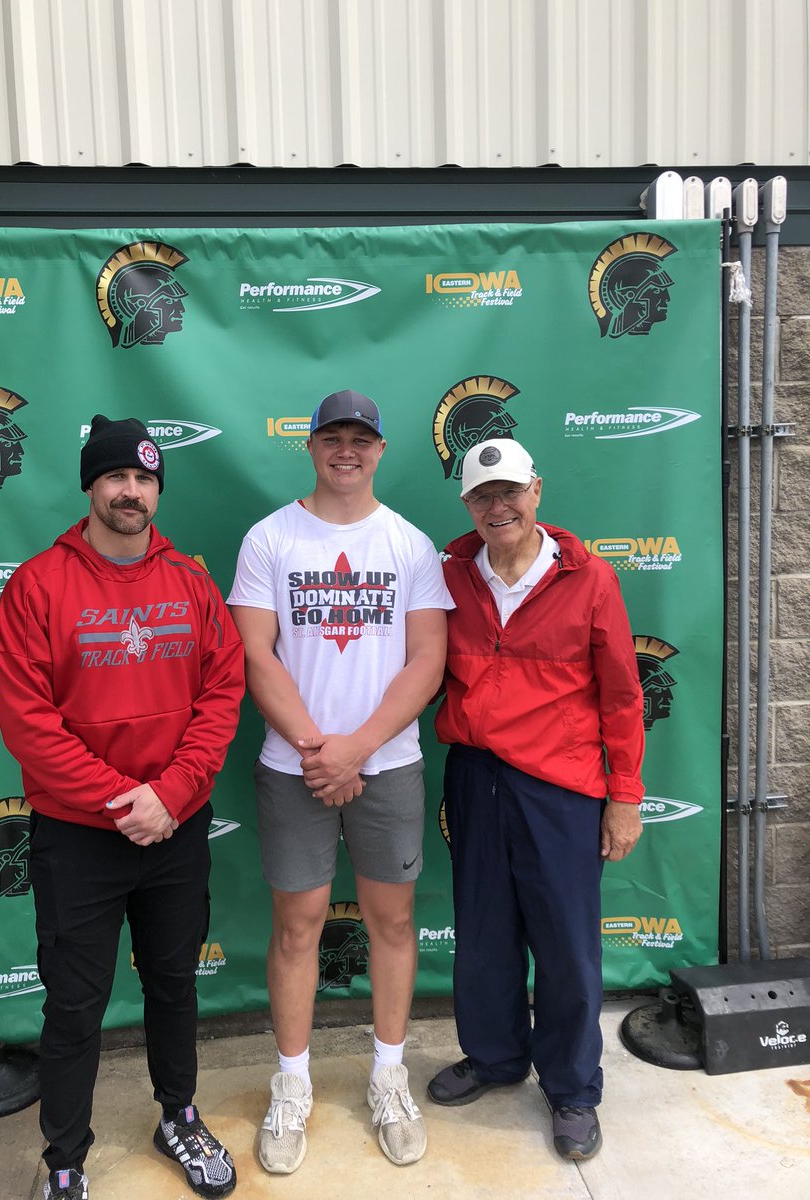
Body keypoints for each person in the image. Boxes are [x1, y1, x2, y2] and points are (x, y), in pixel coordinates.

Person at [0, 415, 244, 1200]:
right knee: (74, 1005)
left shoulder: (191, 584)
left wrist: (167, 797)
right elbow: (28, 722)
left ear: (156, 489)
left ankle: (180, 1115)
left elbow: (223, 693)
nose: (130, 491)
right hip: (79, 838)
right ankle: (65, 1160)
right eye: (115, 477)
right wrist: (117, 800)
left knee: (174, 985)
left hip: (174, 826)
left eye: (143, 478)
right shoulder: (38, 586)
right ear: (91, 487)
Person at [227, 389, 453, 1173]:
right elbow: (255, 653)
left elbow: (429, 658)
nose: (347, 451)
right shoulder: (269, 538)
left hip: (386, 765)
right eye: (333, 437)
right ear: (312, 445)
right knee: (298, 926)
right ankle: (292, 1084)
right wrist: (319, 750)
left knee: (392, 923)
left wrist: (355, 748)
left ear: (382, 450)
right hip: (295, 769)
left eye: (362, 438)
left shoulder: (410, 545)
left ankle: (390, 1074)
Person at [426, 437, 644, 1161]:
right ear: (467, 505)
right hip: (476, 776)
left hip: (563, 789)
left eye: (511, 492)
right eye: (484, 496)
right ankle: (494, 1058)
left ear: (538, 492)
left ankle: (575, 1087)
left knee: (567, 947)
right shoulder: (448, 575)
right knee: (483, 934)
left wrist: (625, 796)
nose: (499, 507)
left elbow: (621, 695)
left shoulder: (589, 580)